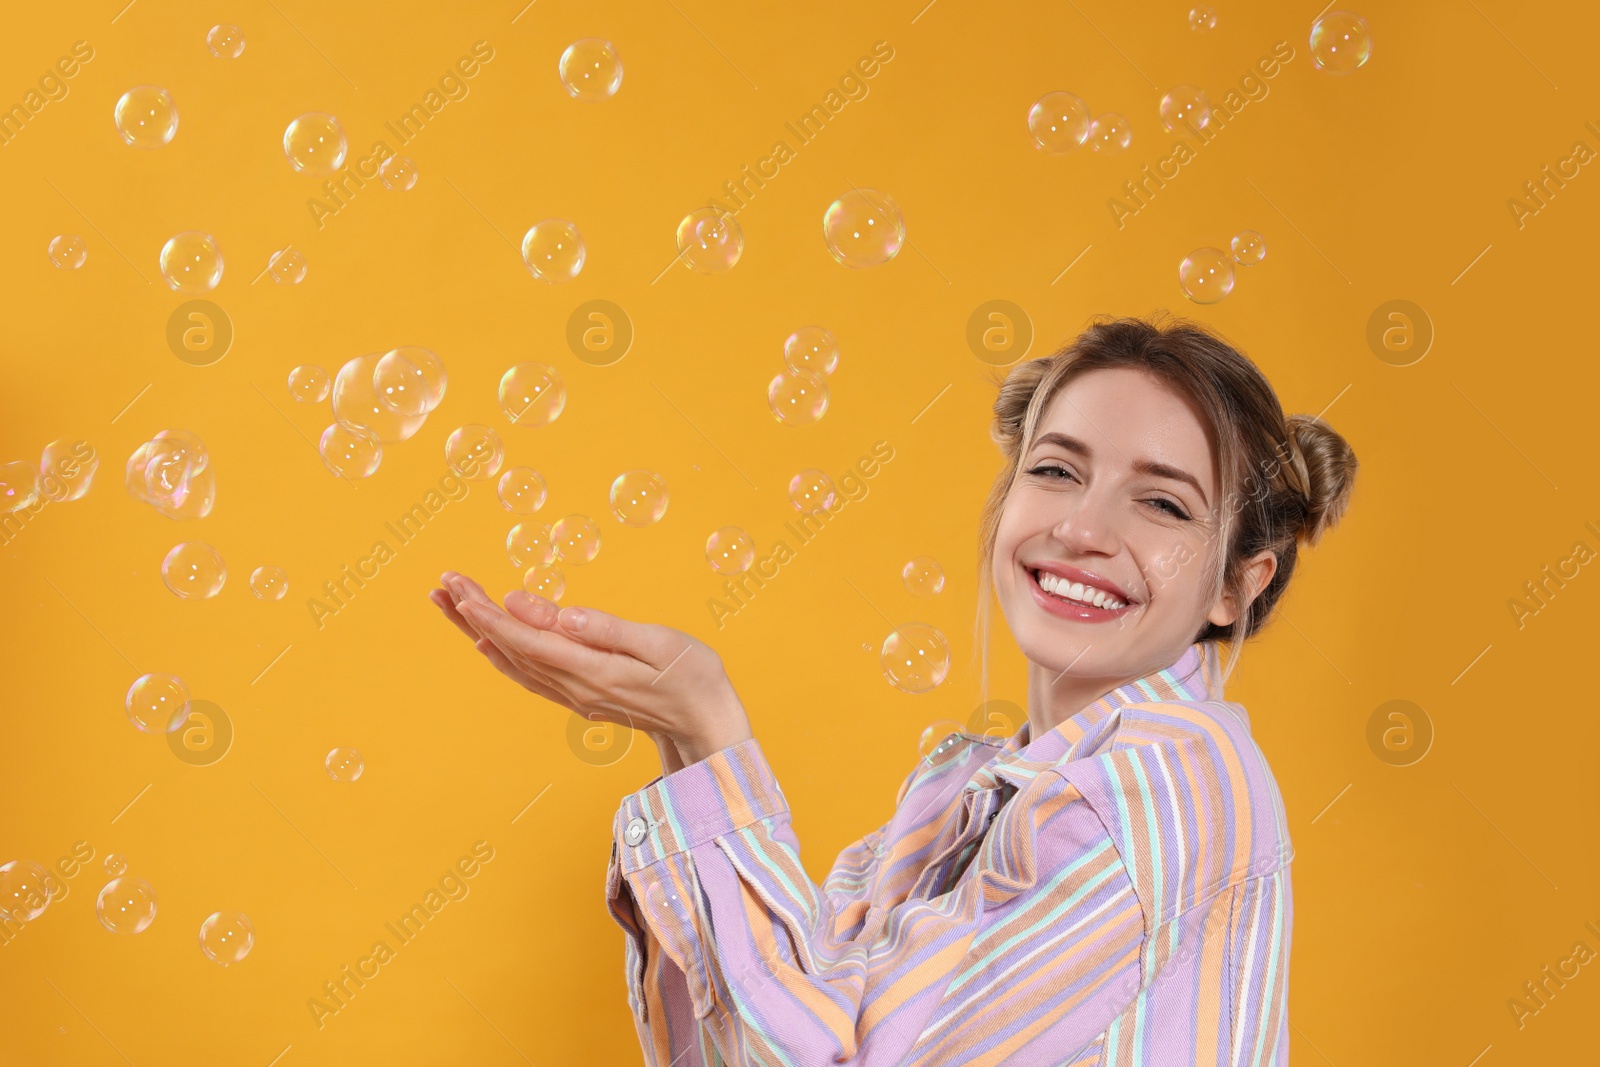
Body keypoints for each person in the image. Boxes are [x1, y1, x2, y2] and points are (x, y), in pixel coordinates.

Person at [430, 313, 1358, 1066]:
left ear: (1240, 583)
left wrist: (710, 733)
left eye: (1161, 502)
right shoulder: (963, 795)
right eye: (1055, 470)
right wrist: (681, 747)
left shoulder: (1165, 790)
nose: (1081, 525)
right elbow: (768, 1044)